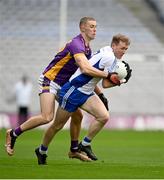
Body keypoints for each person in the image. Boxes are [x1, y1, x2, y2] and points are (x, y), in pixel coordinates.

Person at [5, 16, 110, 162]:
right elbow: (86, 69)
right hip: (50, 80)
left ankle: (73, 150)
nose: (95, 29)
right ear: (82, 28)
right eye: (91, 26)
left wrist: (101, 94)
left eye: (96, 26)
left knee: (77, 116)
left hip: (65, 84)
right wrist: (108, 75)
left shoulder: (87, 49)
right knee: (47, 117)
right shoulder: (77, 44)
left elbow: (86, 75)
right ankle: (13, 134)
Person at [35, 34, 132, 164]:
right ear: (114, 45)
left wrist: (112, 84)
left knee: (103, 116)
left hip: (87, 92)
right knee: (57, 125)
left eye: (126, 49)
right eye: (122, 48)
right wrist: (122, 81)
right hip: (73, 91)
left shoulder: (106, 50)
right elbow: (106, 84)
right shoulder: (110, 58)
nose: (124, 51)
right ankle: (42, 150)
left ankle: (84, 144)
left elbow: (102, 79)